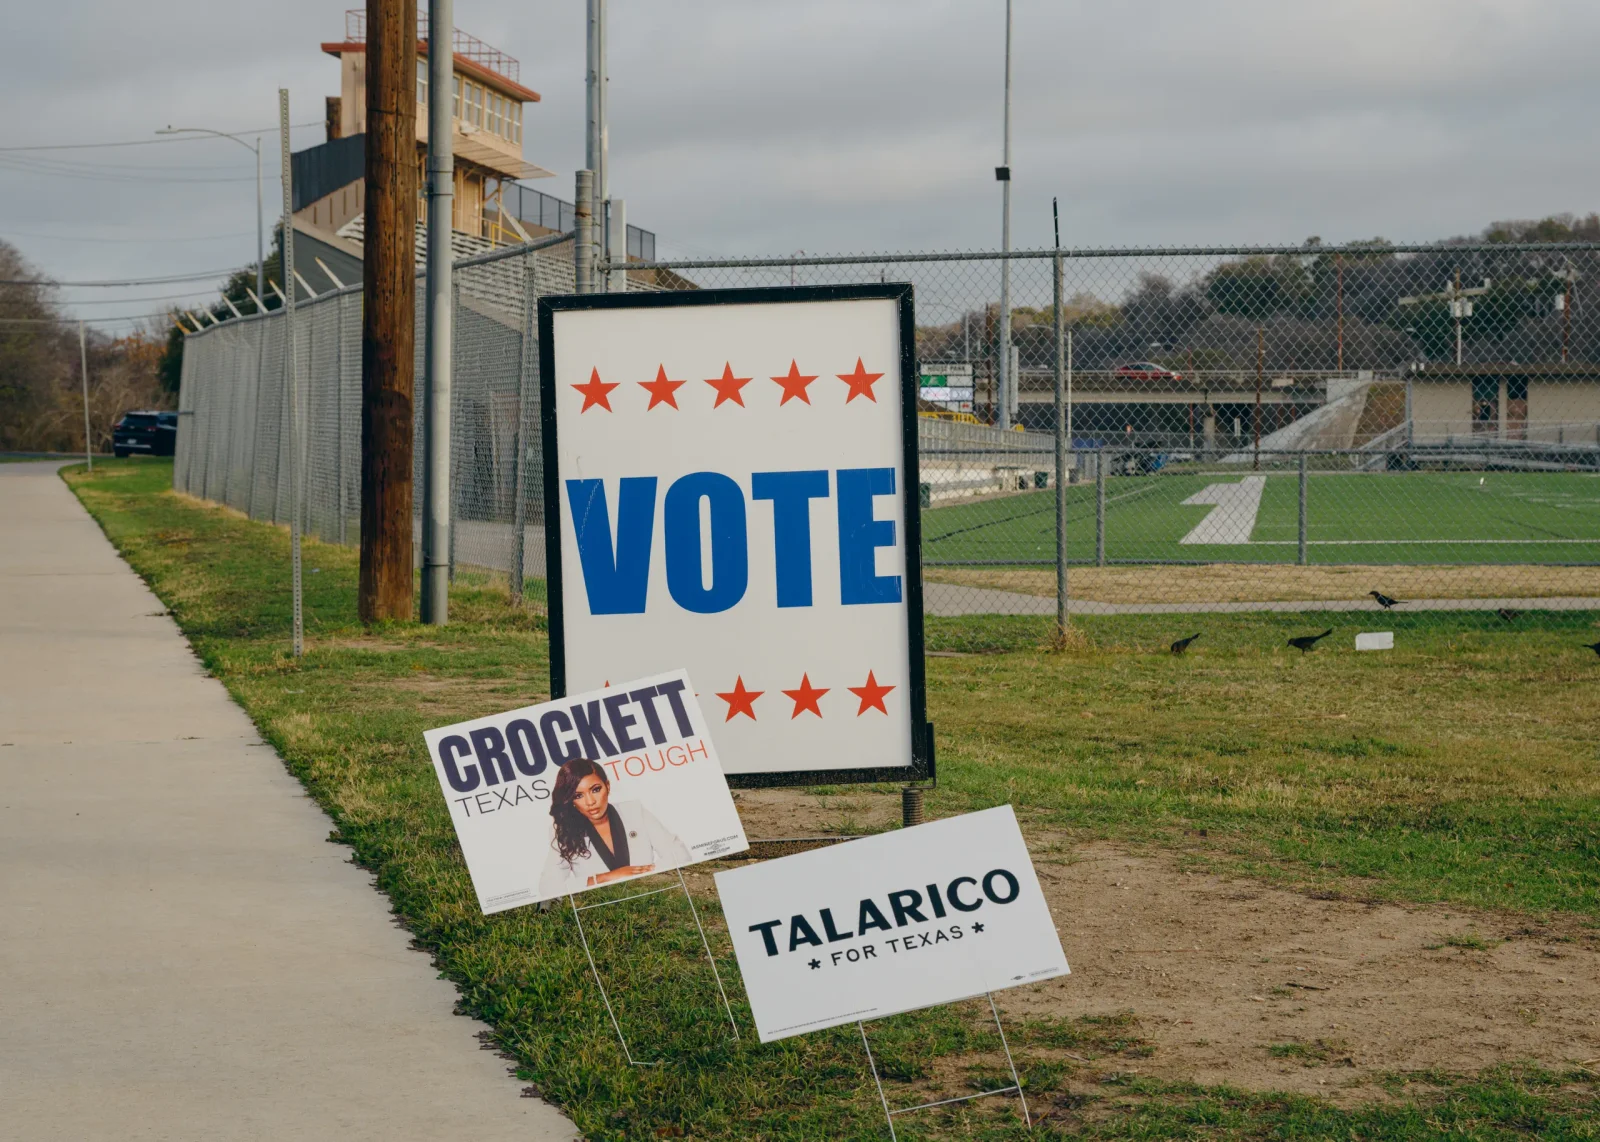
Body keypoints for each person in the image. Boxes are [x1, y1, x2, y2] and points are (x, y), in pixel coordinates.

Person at [538, 758, 691, 898]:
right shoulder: (563, 830)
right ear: (570, 800)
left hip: (649, 896)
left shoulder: (634, 811)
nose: (590, 802)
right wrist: (605, 878)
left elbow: (680, 854)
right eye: (578, 796)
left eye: (595, 789)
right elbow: (549, 887)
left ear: (608, 786)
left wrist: (641, 875)